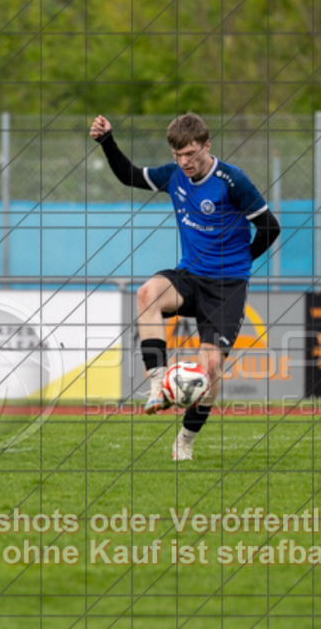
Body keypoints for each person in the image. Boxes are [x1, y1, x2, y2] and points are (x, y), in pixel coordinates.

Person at [90, 113, 280, 461]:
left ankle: (185, 440)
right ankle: (159, 383)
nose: (184, 162)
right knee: (147, 293)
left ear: (206, 146)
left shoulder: (232, 181)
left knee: (209, 370)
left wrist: (242, 262)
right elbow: (129, 175)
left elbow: (270, 227)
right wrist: (107, 142)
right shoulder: (175, 175)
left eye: (191, 154)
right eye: (178, 155)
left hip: (227, 286)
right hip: (190, 275)